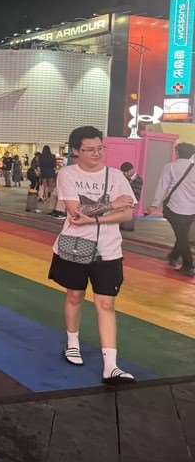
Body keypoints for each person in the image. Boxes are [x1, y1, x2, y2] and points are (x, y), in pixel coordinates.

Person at [49, 125, 137, 384]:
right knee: (75, 296)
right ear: (76, 151)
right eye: (89, 150)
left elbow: (128, 213)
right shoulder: (67, 174)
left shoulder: (117, 176)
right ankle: (72, 342)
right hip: (74, 249)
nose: (96, 154)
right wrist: (110, 206)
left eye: (100, 148)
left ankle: (111, 365)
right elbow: (76, 213)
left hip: (109, 250)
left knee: (107, 304)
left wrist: (94, 220)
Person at [148, 142, 195, 276]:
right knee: (182, 235)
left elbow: (162, 186)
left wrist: (154, 204)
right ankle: (174, 256)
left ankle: (188, 264)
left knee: (182, 237)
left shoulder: (170, 167)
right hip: (191, 210)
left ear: (178, 153)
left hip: (174, 208)